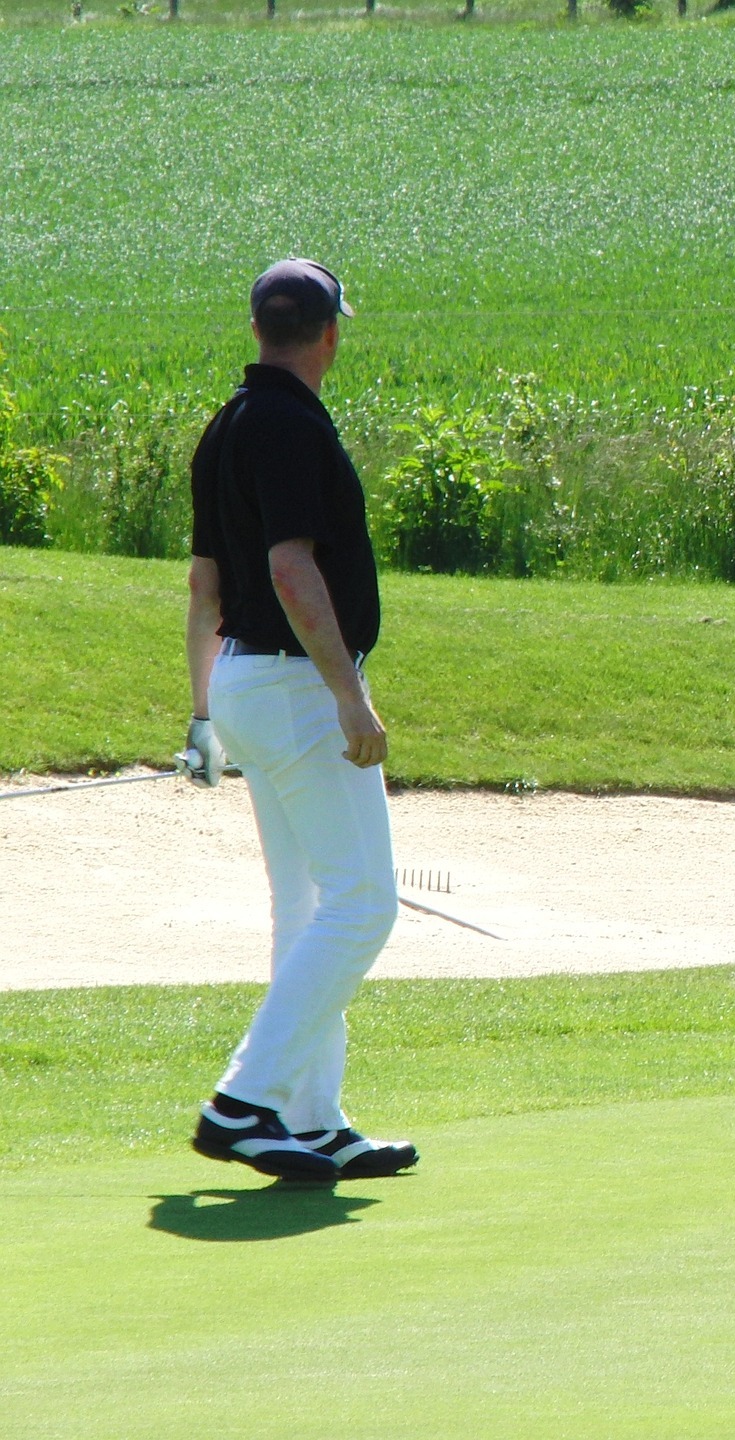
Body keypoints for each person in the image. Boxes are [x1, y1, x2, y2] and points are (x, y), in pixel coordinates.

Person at [183, 259, 415, 1183]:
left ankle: (310, 1117)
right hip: (295, 684)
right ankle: (245, 1101)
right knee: (366, 903)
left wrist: (204, 714)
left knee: (309, 906)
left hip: (244, 685)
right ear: (329, 335)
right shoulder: (289, 426)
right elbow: (288, 569)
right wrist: (349, 696)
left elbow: (205, 588)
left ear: (257, 330)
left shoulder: (229, 425)